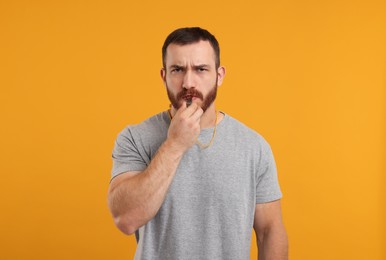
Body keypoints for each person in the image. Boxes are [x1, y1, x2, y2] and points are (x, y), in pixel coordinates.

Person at [108, 27, 288, 260]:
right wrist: (175, 144)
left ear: (219, 75)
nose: (188, 82)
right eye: (177, 70)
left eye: (201, 69)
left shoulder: (254, 147)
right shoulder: (134, 138)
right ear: (164, 76)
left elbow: (269, 231)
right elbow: (126, 219)